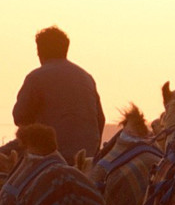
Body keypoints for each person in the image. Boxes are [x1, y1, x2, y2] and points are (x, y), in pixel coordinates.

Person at [12, 26, 106, 161]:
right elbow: (100, 119)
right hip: (88, 154)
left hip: (49, 153)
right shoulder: (86, 77)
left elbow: (19, 117)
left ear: (40, 51)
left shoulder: (36, 78)